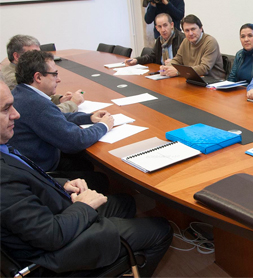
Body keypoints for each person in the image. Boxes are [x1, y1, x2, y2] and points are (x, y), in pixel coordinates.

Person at [0, 76, 172, 277]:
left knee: (127, 203)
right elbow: (51, 236)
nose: (16, 114)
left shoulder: (3, 147)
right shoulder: (3, 180)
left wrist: (61, 185)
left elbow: (27, 183)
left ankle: (119, 243)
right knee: (161, 229)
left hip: (55, 210)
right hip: (55, 253)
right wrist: (84, 206)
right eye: (5, 109)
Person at [9, 50, 113, 187]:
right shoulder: (38, 105)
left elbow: (56, 116)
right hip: (41, 172)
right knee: (101, 180)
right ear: (38, 77)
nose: (59, 79)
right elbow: (76, 140)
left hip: (35, 159)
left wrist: (89, 118)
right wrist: (104, 126)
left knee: (84, 163)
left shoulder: (20, 92)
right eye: (54, 74)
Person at [0, 34, 84, 113]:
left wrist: (59, 99)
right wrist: (72, 104)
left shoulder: (9, 68)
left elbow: (38, 98)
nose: (40, 58)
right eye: (34, 54)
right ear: (17, 56)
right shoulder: (15, 80)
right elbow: (43, 112)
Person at [160, 14, 226, 80]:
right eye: (187, 30)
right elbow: (177, 59)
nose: (190, 33)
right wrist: (166, 68)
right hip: (193, 79)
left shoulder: (210, 42)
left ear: (201, 28)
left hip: (213, 83)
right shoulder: (186, 41)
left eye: (193, 29)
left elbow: (204, 68)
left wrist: (178, 72)